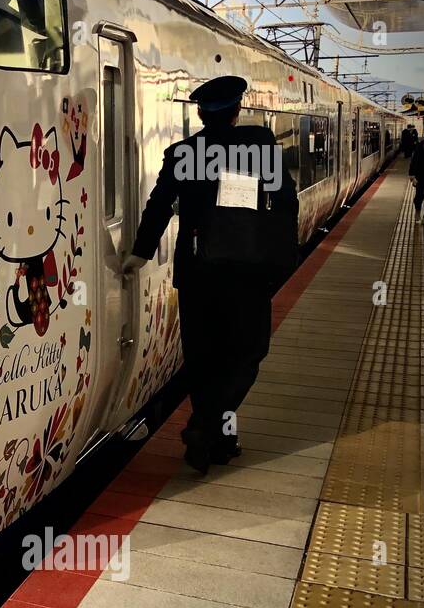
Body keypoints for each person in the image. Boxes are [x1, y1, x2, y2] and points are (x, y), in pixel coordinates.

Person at [122, 75, 298, 474]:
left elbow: (159, 206)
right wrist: (282, 259)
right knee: (248, 352)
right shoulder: (260, 149)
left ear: (200, 113)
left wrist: (140, 253)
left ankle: (213, 434)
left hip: (197, 273)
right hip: (247, 272)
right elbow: (286, 205)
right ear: (237, 110)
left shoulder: (183, 154)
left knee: (202, 357)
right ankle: (209, 428)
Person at [412, 127, 424, 224]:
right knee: (419, 196)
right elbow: (415, 160)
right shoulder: (422, 145)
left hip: (423, 175)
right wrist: (412, 175)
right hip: (422, 175)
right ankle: (418, 211)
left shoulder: (422, 144)